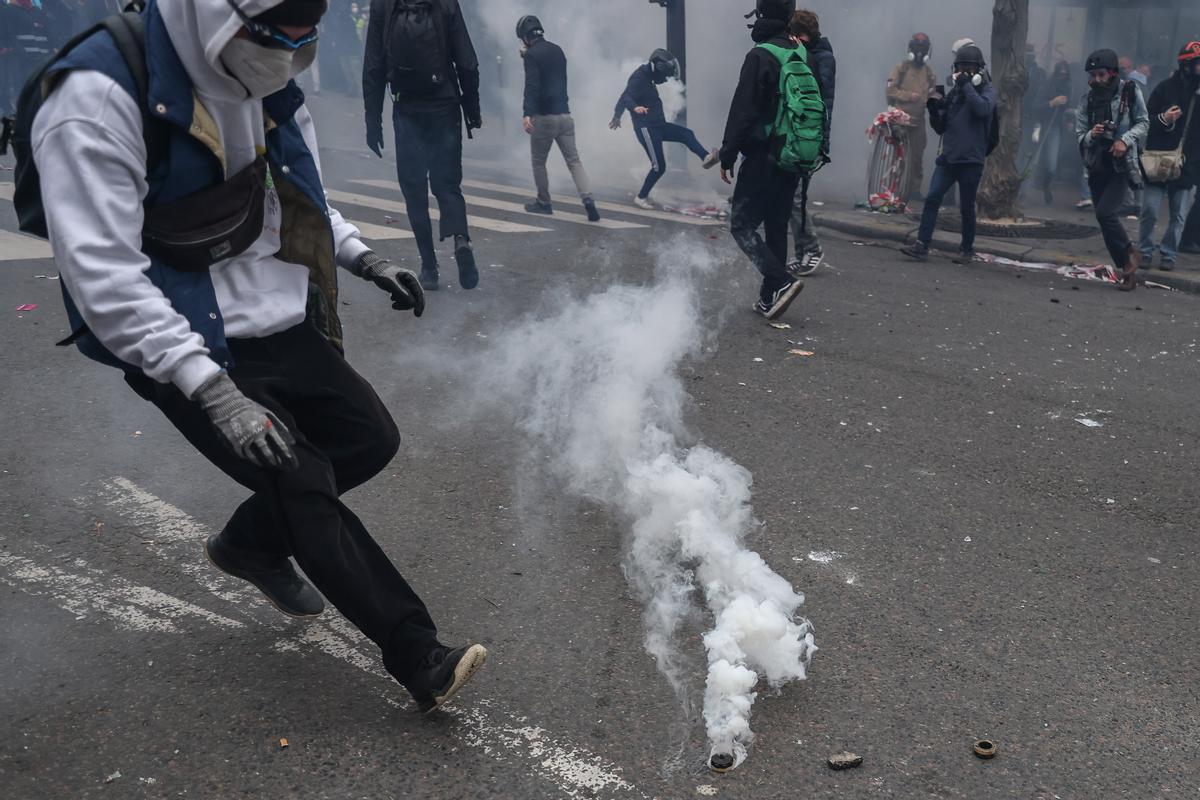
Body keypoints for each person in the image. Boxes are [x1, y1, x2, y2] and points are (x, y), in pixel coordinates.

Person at [30, 0, 486, 711]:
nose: (289, 56)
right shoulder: (95, 96)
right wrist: (210, 391)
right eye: (275, 37)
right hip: (178, 330)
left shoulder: (269, 71)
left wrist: (361, 257)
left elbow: (296, 190)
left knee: (368, 439)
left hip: (272, 313)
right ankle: (416, 652)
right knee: (299, 477)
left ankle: (248, 544)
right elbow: (104, 280)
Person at [363, 0, 481, 292]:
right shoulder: (445, 3)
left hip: (407, 110)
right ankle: (461, 240)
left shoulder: (383, 5)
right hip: (445, 105)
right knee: (448, 185)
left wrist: (372, 121)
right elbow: (467, 61)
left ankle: (429, 268)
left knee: (415, 192)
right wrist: (473, 109)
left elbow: (373, 66)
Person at [718, 0, 806, 320]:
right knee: (776, 225)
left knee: (741, 225)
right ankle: (770, 298)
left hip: (764, 155)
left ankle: (779, 281)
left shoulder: (760, 55)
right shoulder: (799, 52)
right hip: (793, 156)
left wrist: (728, 153)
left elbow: (744, 111)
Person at [900, 44, 996, 264]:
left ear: (979, 70)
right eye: (960, 67)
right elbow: (942, 127)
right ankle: (921, 245)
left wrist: (967, 87)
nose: (963, 72)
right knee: (932, 198)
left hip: (971, 159)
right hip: (949, 157)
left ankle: (966, 250)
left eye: (968, 68)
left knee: (966, 207)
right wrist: (934, 110)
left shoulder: (988, 91)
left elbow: (981, 109)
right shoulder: (957, 92)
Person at [1075, 48, 1149, 290]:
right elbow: (1079, 134)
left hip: (1121, 165)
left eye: (1100, 75)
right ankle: (1128, 273)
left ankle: (1131, 253)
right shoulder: (1086, 100)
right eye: (1092, 75)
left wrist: (1124, 140)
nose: (1096, 80)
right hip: (1097, 166)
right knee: (1103, 219)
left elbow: (1143, 123)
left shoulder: (1129, 91)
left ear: (1112, 73)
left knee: (1106, 214)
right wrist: (1091, 134)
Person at [610, 47, 719, 209]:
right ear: (659, 68)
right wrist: (634, 108)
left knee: (686, 134)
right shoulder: (639, 77)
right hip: (646, 129)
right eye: (666, 75)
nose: (666, 79)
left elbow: (623, 95)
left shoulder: (648, 77)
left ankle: (706, 158)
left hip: (658, 126)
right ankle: (641, 197)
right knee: (659, 167)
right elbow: (626, 97)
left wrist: (616, 117)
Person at [516, 14, 599, 221]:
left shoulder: (532, 56)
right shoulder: (557, 50)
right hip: (565, 116)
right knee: (574, 161)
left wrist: (527, 113)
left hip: (544, 118)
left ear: (526, 37)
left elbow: (533, 86)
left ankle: (544, 202)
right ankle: (588, 199)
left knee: (538, 162)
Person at [1138, 42, 1200, 271]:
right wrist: (1164, 119)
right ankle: (1144, 251)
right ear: (1187, 65)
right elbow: (1145, 121)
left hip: (1187, 165)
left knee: (1178, 217)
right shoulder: (1165, 88)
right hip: (1159, 159)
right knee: (1150, 211)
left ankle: (1168, 255)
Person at [784, 8, 834, 277]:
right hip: (802, 137)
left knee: (795, 199)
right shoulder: (813, 54)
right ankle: (802, 252)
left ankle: (812, 249)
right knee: (794, 197)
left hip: (809, 138)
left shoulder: (821, 59)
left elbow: (824, 104)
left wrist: (821, 144)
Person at [885, 33, 936, 201]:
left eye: (923, 48)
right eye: (917, 48)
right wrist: (908, 96)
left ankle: (914, 190)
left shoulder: (929, 72)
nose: (920, 52)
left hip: (918, 121)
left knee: (916, 158)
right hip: (901, 120)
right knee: (898, 156)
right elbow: (890, 90)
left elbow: (933, 92)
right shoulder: (901, 68)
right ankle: (895, 188)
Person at [1035, 60, 1073, 206]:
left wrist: (1068, 119)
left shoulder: (1069, 87)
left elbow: (1069, 108)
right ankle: (1021, 194)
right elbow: (1035, 106)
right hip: (1040, 126)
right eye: (1060, 74)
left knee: (1051, 165)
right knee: (1032, 161)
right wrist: (1052, 103)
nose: (1062, 77)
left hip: (1055, 129)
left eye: (1065, 74)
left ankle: (1047, 185)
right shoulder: (1046, 86)